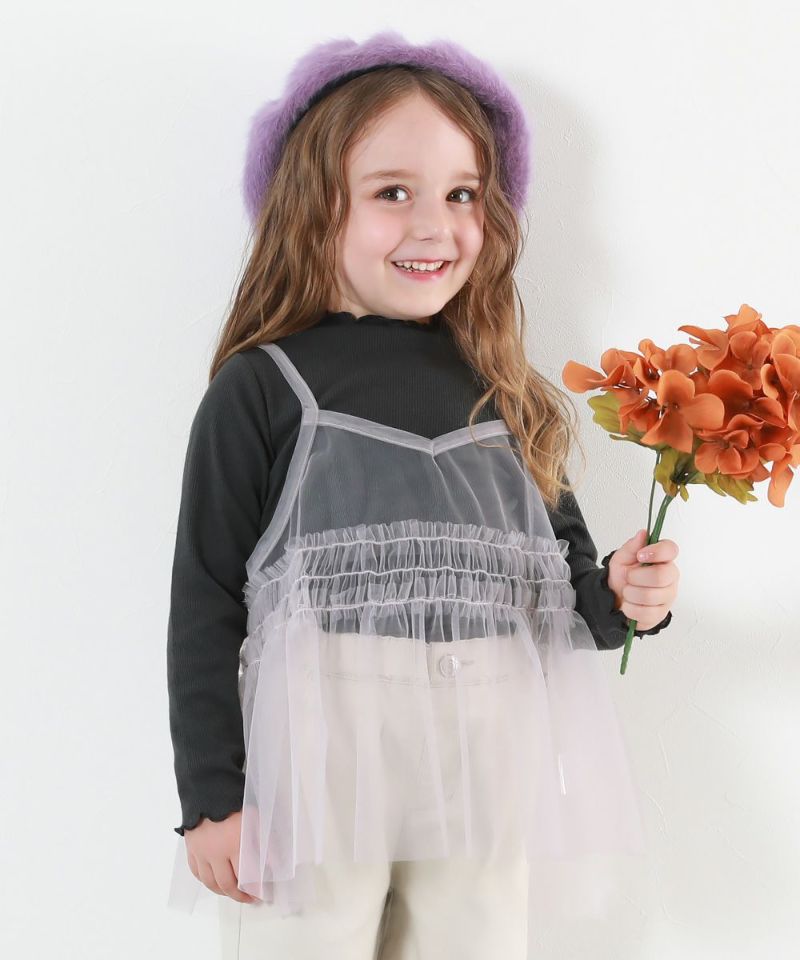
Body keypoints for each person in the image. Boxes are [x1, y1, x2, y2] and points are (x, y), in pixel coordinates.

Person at [165, 31, 678, 959]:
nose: (435, 226)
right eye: (392, 192)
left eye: (462, 194)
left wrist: (626, 594)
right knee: (309, 943)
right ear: (314, 207)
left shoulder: (507, 393)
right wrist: (213, 797)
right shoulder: (264, 386)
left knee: (474, 941)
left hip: (488, 744)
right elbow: (204, 603)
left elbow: (570, 601)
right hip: (322, 747)